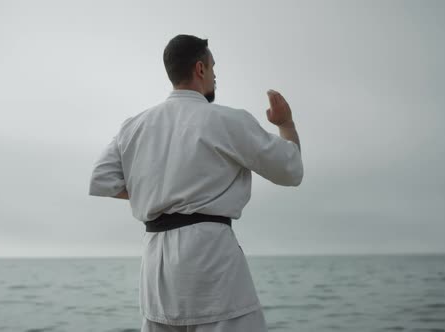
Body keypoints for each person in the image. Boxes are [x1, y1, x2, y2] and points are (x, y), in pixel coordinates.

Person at [88, 34, 303, 332]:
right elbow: (290, 171)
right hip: (210, 260)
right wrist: (285, 124)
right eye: (214, 67)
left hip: (156, 265)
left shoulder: (134, 126)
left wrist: (155, 191)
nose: (215, 75)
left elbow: (102, 181)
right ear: (200, 69)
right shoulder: (229, 121)